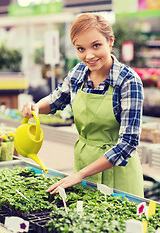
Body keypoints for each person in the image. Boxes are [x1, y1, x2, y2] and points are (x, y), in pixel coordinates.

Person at [21, 13, 144, 197]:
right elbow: (56, 99)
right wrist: (36, 107)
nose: (89, 55)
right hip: (83, 170)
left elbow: (128, 144)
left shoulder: (128, 81)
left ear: (110, 41)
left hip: (119, 175)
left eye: (96, 45)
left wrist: (80, 174)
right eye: (80, 48)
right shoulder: (78, 73)